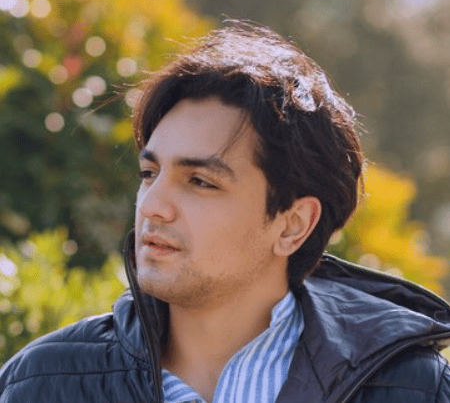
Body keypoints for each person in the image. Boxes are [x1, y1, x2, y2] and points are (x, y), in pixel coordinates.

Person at [1, 22, 450, 403]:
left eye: (200, 181)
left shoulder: (415, 391)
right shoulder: (42, 385)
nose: (153, 205)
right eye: (149, 173)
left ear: (293, 225)